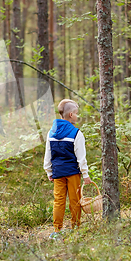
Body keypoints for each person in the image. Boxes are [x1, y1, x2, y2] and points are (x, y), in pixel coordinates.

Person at [43, 99, 92, 239]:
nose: (77, 116)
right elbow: (81, 157)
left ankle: (56, 230)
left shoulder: (51, 133)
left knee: (58, 201)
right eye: (76, 113)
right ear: (71, 114)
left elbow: (48, 155)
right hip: (72, 173)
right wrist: (85, 174)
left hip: (58, 173)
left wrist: (49, 171)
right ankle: (75, 227)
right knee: (75, 200)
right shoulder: (76, 133)